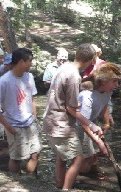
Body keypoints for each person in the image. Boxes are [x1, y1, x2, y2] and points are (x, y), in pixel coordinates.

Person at [43, 43, 108, 190]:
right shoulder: (73, 76)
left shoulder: (63, 68)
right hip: (60, 124)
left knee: (61, 157)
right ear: (92, 60)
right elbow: (71, 109)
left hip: (50, 121)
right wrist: (92, 125)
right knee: (78, 159)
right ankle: (66, 189)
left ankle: (59, 186)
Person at [0, 48, 42, 175]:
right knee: (16, 158)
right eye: (30, 61)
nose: (31, 64)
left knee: (35, 154)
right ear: (22, 62)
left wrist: (34, 117)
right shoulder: (4, 81)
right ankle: (17, 181)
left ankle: (29, 180)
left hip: (30, 122)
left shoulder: (30, 76)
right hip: (13, 124)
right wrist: (8, 126)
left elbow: (32, 99)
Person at [77, 62, 121, 175]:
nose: (117, 85)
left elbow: (105, 106)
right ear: (103, 81)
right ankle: (80, 179)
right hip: (78, 126)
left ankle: (90, 173)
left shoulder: (108, 91)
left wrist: (106, 123)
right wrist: (99, 143)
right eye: (114, 81)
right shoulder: (88, 95)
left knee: (94, 155)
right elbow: (83, 123)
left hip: (91, 123)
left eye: (118, 81)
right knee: (87, 156)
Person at [81, 44, 115, 125]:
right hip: (92, 93)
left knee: (107, 115)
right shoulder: (89, 66)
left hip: (104, 93)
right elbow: (85, 78)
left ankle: (107, 126)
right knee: (92, 116)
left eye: (94, 53)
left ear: (97, 54)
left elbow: (108, 78)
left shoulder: (103, 63)